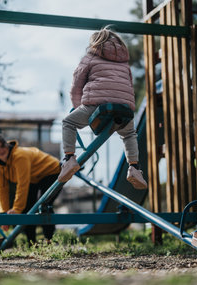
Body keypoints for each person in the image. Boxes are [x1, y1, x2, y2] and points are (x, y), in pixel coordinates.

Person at [58, 27, 147, 190]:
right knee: (129, 134)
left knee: (68, 123)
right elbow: (128, 86)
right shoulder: (124, 62)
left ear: (95, 43)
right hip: (124, 107)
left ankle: (69, 159)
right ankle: (134, 168)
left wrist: (78, 108)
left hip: (95, 104)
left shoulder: (90, 57)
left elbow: (76, 86)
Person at [0, 133, 61, 245]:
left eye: (2, 146)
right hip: (34, 177)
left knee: (44, 205)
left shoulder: (19, 156)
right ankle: (31, 243)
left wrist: (16, 209)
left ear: (6, 144)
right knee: (27, 209)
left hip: (51, 171)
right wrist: (4, 216)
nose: (1, 150)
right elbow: (2, 189)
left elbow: (23, 184)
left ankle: (49, 240)